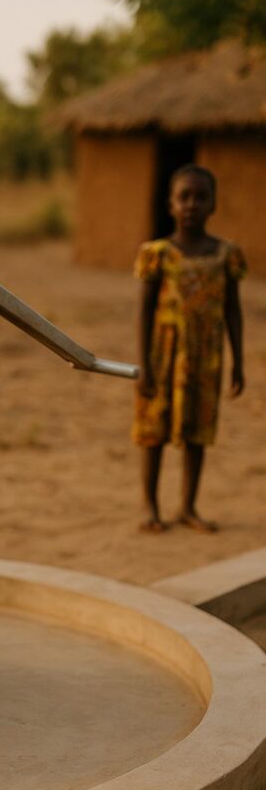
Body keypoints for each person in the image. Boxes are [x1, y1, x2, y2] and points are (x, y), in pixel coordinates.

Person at [133, 164, 245, 533]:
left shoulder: (226, 254)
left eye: (201, 197)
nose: (192, 205)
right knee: (155, 432)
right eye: (184, 197)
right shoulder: (159, 253)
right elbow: (145, 311)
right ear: (170, 204)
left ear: (214, 204)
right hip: (164, 355)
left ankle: (188, 507)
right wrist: (144, 364)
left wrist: (238, 363)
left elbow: (232, 310)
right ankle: (151, 508)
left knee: (198, 432)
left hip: (206, 357)